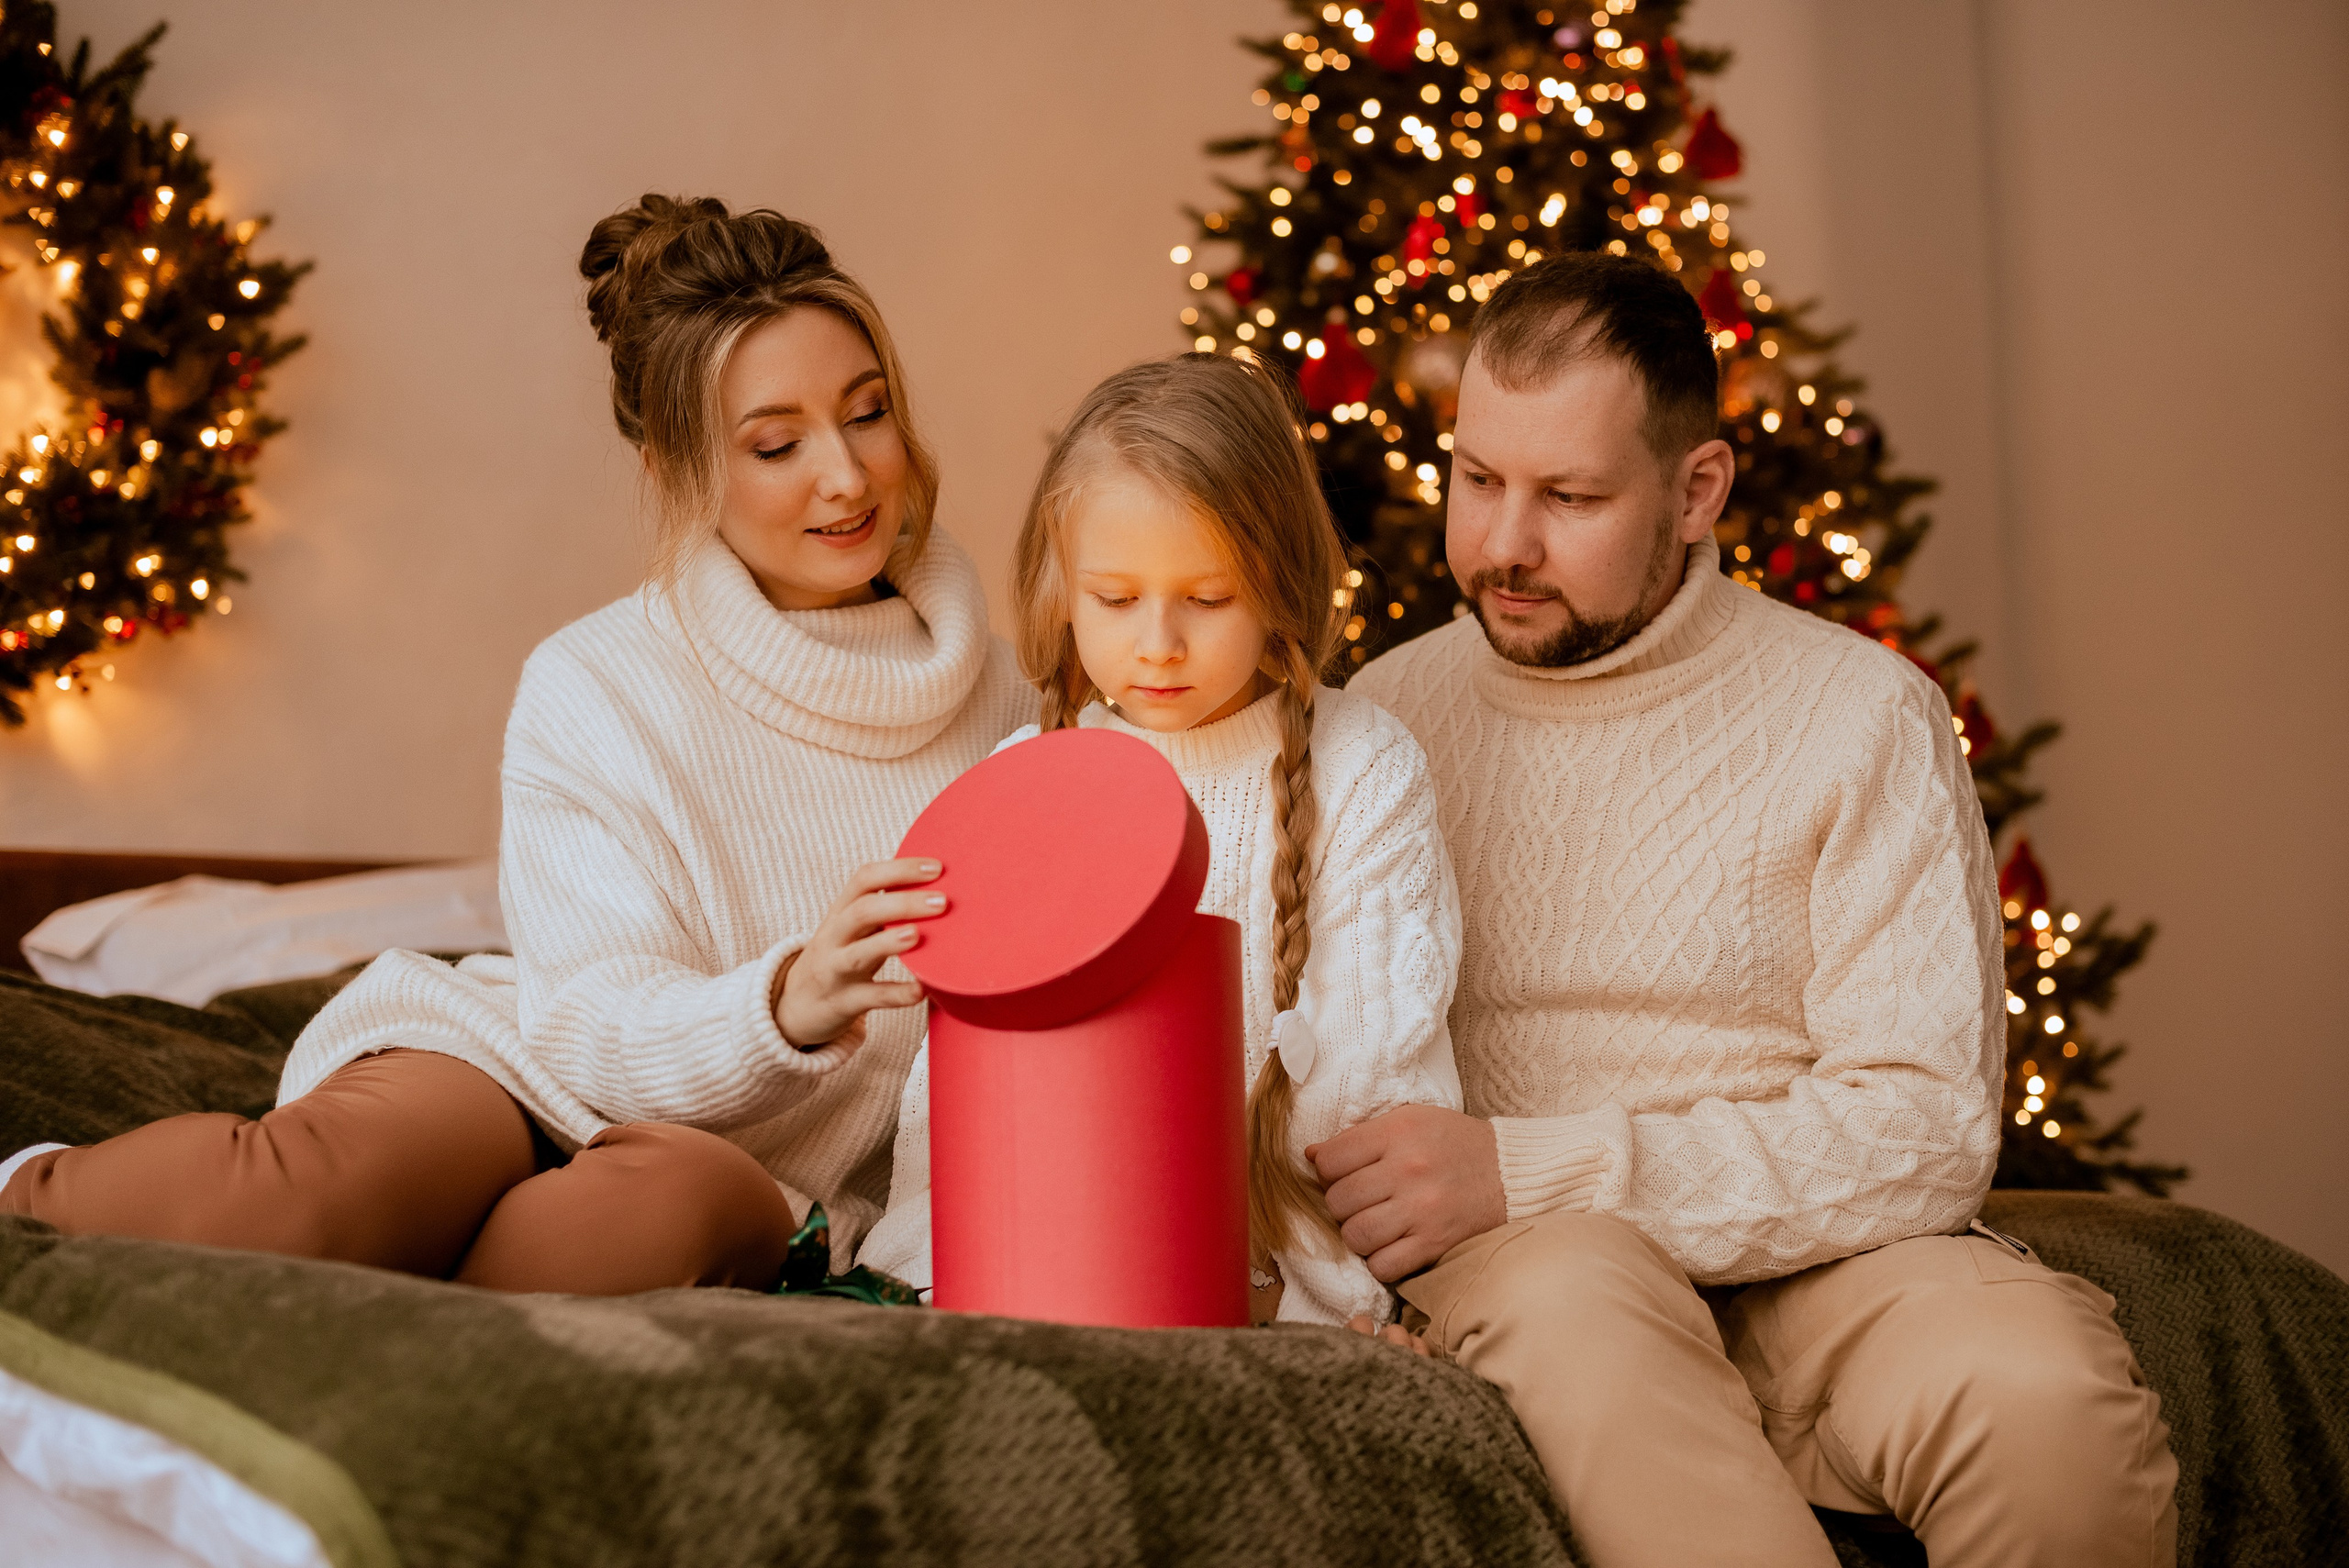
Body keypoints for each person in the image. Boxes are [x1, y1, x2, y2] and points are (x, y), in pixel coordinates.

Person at [0, 196, 1032, 1295]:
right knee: (308, 1197)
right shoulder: (594, 683)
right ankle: (29, 1189)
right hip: (521, 1061)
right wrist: (782, 1003)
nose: (846, 474)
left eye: (866, 413)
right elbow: (585, 1016)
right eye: (776, 443)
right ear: (681, 472)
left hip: (743, 1172)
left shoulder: (1015, 705)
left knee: (632, 1230)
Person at [1326, 254, 2176, 1566]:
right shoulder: (1382, 718)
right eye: (1478, 478)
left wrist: (1542, 1160)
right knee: (1577, 1301)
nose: (1502, 544)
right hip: (1540, 1265)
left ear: (1696, 491)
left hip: (1831, 1277)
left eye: (1572, 496)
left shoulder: (1863, 714)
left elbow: (1926, 1130)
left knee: (2043, 1398)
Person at [859, 353, 1463, 1326]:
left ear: (1281, 580)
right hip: (1026, 1274)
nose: (1158, 642)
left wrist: (1258, 1273)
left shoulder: (1364, 767)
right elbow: (951, 1123)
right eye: (1114, 597)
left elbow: (1372, 1085)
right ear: (1060, 587)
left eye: (1208, 597)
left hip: (1277, 1287)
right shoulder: (1022, 776)